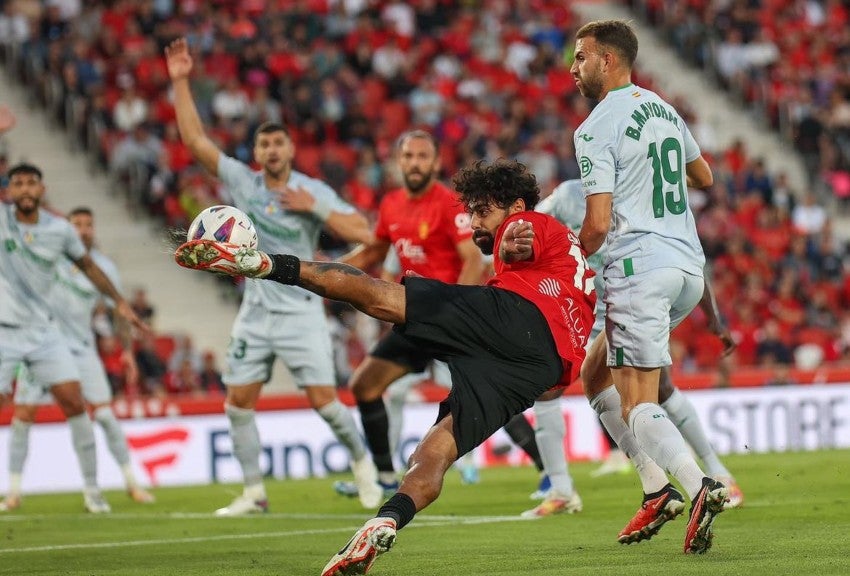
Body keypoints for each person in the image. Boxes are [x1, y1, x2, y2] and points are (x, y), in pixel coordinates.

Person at [173, 158, 596, 576]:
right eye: (470, 212)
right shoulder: (564, 256)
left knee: (378, 296)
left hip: (522, 319)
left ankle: (260, 264)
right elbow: (550, 388)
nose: (474, 223)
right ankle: (387, 519)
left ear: (517, 208)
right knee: (433, 451)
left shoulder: (531, 225)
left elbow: (521, 237)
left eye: (482, 212)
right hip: (544, 365)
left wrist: (511, 241)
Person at [165, 37, 379, 513]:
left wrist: (315, 208)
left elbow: (363, 230)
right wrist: (180, 80)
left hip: (301, 309)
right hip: (255, 310)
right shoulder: (244, 181)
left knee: (325, 403)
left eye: (279, 141)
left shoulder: (311, 189)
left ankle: (364, 468)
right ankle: (253, 493)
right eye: (264, 142)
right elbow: (195, 142)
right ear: (257, 151)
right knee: (236, 403)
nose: (271, 148)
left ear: (290, 148)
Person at [571, 20, 728, 554]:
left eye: (581, 57)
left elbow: (595, 225)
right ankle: (655, 487)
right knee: (596, 375)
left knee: (638, 400)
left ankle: (700, 485)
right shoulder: (665, 109)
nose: (574, 68)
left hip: (639, 267)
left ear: (608, 61)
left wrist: (563, 256)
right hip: (687, 270)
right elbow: (703, 177)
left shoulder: (594, 128)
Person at [329, 130, 549, 502]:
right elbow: (370, 254)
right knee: (365, 385)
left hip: (451, 317)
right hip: (416, 317)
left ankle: (547, 469)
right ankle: (383, 475)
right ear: (400, 162)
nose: (414, 163)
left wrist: (460, 314)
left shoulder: (449, 205)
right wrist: (323, 274)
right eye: (408, 156)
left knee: (486, 392)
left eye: (422, 156)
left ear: (434, 162)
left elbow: (471, 261)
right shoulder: (392, 205)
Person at [539, 180, 744, 507]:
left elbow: (688, 262)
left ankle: (719, 474)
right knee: (547, 387)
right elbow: (530, 227)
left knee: (660, 389)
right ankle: (561, 491)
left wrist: (715, 321)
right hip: (581, 315)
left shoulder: (649, 200)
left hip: (632, 308)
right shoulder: (568, 195)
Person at [0, 162, 147, 514]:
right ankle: (13, 490)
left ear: (42, 189)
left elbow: (90, 268)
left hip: (48, 337)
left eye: (30, 183)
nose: (24, 190)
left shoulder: (59, 230)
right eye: (17, 183)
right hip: (4, 332)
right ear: (8, 190)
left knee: (77, 407)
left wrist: (120, 303)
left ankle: (94, 492)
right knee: (21, 416)